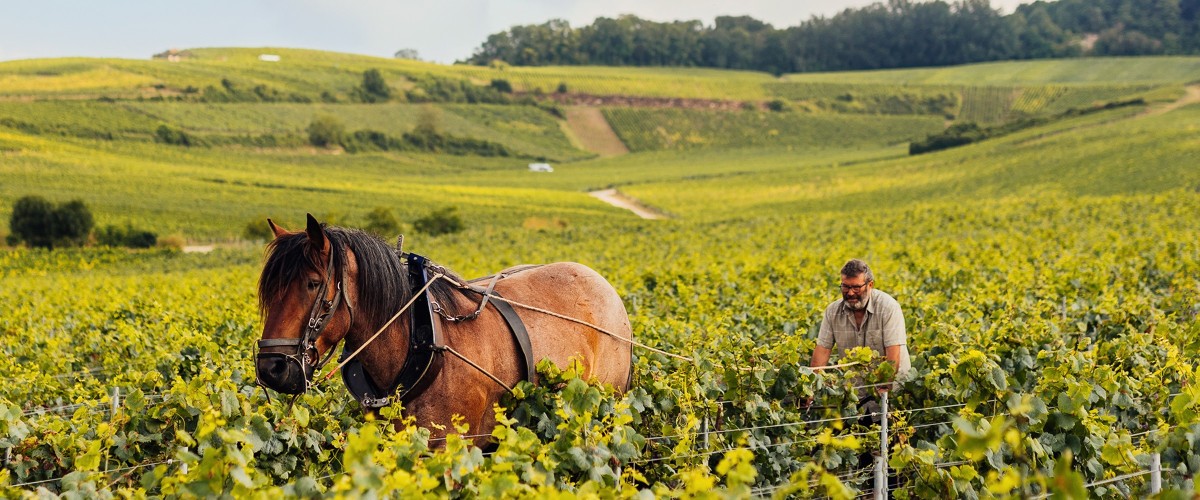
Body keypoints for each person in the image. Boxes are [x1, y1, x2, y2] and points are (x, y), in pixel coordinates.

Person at [810, 259, 910, 387]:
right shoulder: (832, 311)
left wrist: (885, 386)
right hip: (855, 389)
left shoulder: (888, 307)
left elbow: (893, 352)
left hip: (893, 388)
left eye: (856, 287)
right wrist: (811, 387)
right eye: (845, 287)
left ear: (870, 285)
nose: (850, 293)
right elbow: (822, 350)